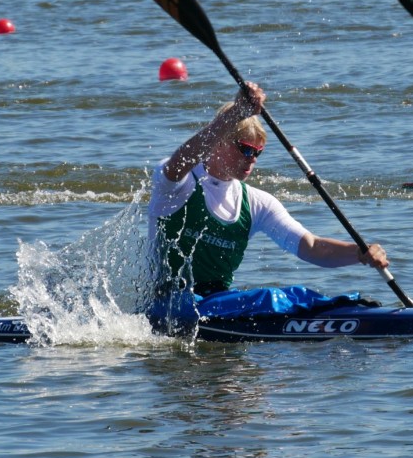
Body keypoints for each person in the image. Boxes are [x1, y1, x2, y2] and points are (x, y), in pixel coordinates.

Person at [144, 81, 389, 330]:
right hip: (167, 305)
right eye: (245, 149)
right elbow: (179, 161)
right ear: (218, 142)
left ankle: (341, 309)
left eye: (258, 152)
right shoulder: (179, 185)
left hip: (215, 306)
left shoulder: (257, 202)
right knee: (268, 298)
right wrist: (235, 114)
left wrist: (359, 253)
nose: (252, 159)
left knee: (286, 296)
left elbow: (312, 247)